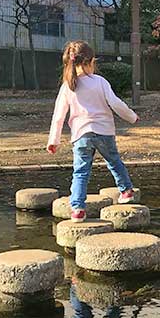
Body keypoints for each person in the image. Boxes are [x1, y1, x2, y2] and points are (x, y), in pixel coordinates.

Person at [47, 40, 138, 222]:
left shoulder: (68, 86)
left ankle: (78, 209)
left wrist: (53, 140)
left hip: (81, 135)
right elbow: (116, 103)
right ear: (90, 62)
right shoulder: (100, 82)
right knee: (114, 161)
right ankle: (126, 191)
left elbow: (58, 115)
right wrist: (131, 116)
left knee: (80, 172)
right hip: (104, 131)